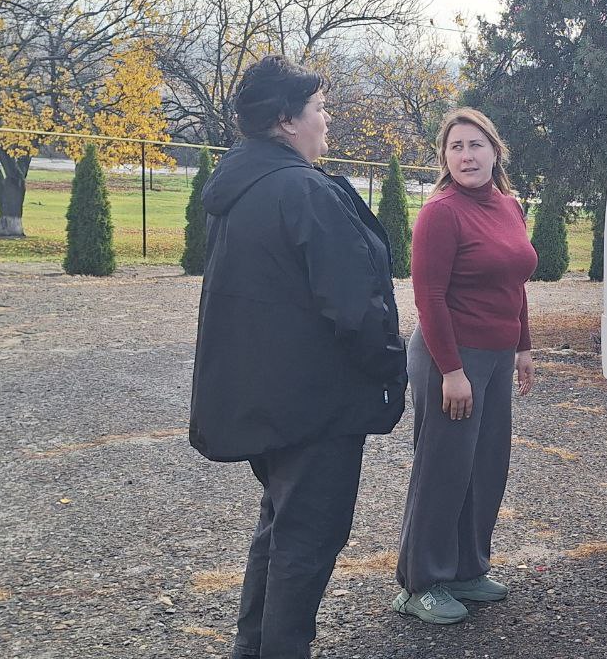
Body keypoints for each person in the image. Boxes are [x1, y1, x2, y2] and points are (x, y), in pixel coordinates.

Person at [189, 55, 407, 659]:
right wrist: (391, 366)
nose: (326, 119)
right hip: (314, 406)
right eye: (319, 108)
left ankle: (254, 648)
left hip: (269, 401)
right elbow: (354, 306)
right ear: (287, 120)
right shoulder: (302, 190)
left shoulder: (243, 187)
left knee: (280, 530)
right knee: (307, 541)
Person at [393, 107, 537, 624]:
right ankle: (420, 582)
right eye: (456, 147)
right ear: (444, 157)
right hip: (448, 356)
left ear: (495, 151)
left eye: (476, 145)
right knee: (443, 467)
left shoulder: (509, 206)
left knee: (486, 465)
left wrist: (522, 346)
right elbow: (428, 296)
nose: (466, 155)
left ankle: (466, 569)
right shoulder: (442, 211)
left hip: (497, 357)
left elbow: (515, 283)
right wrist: (452, 371)